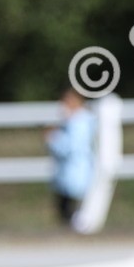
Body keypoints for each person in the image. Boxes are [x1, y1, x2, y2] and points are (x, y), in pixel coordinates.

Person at [45, 88, 96, 229]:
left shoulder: (79, 122)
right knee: (66, 209)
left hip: (75, 172)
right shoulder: (75, 121)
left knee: (72, 212)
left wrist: (52, 138)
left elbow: (70, 147)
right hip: (70, 173)